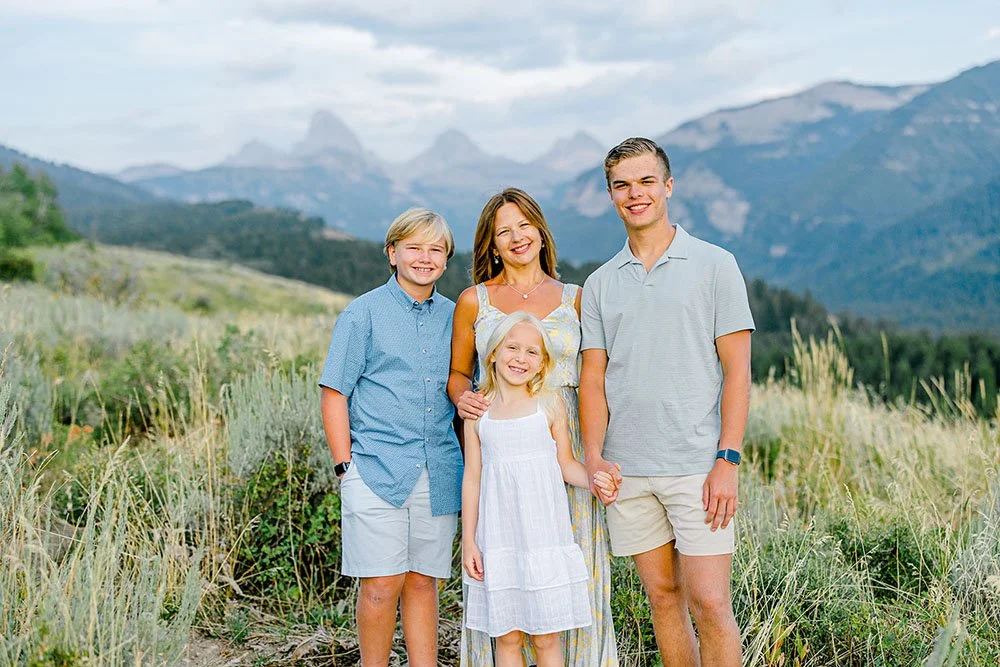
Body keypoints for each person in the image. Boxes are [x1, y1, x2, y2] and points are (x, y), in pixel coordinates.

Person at [580, 137, 755, 667]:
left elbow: (738, 371)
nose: (635, 194)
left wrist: (727, 459)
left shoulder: (715, 265)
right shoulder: (599, 284)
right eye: (622, 185)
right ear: (611, 195)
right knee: (663, 598)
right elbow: (593, 380)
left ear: (668, 187)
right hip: (627, 471)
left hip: (697, 469)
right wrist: (593, 457)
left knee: (710, 601)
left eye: (646, 181)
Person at [449, 188, 620, 666]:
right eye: (504, 231)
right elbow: (459, 372)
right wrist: (464, 400)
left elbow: (593, 378)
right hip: (498, 435)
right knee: (508, 592)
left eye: (524, 225)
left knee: (561, 589)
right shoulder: (473, 301)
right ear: (492, 244)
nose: (516, 237)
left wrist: (597, 459)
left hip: (563, 437)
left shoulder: (577, 299)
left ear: (541, 233)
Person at [319, 208, 463, 667]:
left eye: (435, 249)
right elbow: (334, 391)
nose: (425, 257)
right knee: (381, 585)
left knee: (424, 583)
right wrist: (346, 467)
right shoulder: (362, 314)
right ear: (392, 253)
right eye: (414, 247)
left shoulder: (457, 318)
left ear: (445, 259)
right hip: (375, 470)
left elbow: (465, 392)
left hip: (439, 471)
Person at [462, 312, 619, 667]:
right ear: (492, 354)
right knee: (507, 636)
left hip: (543, 537)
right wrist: (469, 541)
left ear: (543, 363)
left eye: (532, 352)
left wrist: (597, 481)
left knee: (546, 636)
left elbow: (567, 465)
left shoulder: (549, 406)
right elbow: (472, 476)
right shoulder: (478, 412)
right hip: (498, 540)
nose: (520, 358)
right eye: (512, 348)